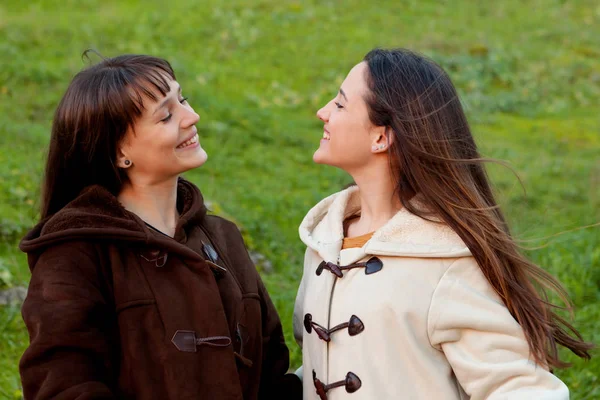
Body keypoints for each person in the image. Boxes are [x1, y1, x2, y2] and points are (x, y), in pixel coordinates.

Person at [293, 48, 592, 399]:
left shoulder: (444, 260)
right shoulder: (325, 242)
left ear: (381, 138)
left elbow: (521, 389)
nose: (323, 112)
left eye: (340, 105)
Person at [19, 52, 301, 400]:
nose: (192, 117)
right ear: (120, 150)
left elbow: (270, 374)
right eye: (167, 115)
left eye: (182, 99)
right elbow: (63, 387)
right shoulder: (74, 254)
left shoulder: (224, 238)